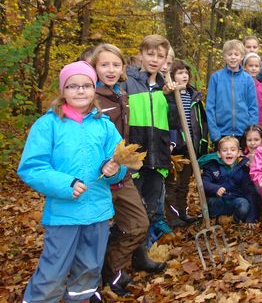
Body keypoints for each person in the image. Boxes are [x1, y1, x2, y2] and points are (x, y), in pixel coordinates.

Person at [18, 61, 126, 303]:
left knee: (89, 268)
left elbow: (121, 160)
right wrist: (65, 184)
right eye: (73, 86)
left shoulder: (104, 125)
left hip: (97, 211)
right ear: (63, 90)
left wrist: (114, 169)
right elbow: (32, 167)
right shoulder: (48, 125)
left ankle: (80, 299)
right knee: (52, 271)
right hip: (63, 214)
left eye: (86, 85)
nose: (80, 91)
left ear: (94, 88)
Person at [91, 44, 163, 296]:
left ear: (123, 67)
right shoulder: (91, 97)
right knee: (94, 231)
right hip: (96, 177)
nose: (110, 70)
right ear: (94, 67)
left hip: (122, 173)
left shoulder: (121, 93)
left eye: (115, 65)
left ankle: (112, 267)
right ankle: (101, 278)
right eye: (104, 65)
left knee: (138, 223)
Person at [124, 35, 175, 243]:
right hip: (135, 155)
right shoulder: (128, 83)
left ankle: (144, 247)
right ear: (141, 54)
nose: (154, 59)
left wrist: (169, 97)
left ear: (165, 60)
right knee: (135, 207)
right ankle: (130, 249)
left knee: (152, 206)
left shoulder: (166, 88)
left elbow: (173, 121)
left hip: (158, 155)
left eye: (160, 56)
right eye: (150, 54)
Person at [165, 59, 208, 228]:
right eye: (179, 73)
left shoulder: (193, 95)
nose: (184, 76)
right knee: (173, 184)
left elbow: (201, 122)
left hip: (192, 145)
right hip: (176, 146)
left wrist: (202, 143)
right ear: (172, 76)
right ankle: (172, 216)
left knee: (184, 184)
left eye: (185, 73)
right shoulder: (168, 96)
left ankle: (182, 213)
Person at [206, 39, 258, 146]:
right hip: (222, 133)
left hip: (243, 133)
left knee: (243, 162)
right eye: (229, 54)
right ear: (224, 57)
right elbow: (210, 107)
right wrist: (214, 132)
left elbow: (253, 107)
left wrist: (251, 131)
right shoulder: (216, 78)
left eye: (236, 54)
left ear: (242, 56)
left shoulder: (248, 80)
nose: (233, 57)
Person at [201, 136, 258, 225]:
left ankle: (232, 219)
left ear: (239, 153)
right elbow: (203, 182)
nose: (229, 153)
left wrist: (251, 218)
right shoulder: (213, 167)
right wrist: (215, 188)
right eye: (224, 150)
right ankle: (214, 218)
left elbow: (249, 192)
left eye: (232, 150)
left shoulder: (243, 168)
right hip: (218, 201)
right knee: (210, 202)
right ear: (219, 154)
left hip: (234, 201)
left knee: (244, 205)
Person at [243, 53, 262, 126]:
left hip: (261, 122)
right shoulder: (241, 86)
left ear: (260, 68)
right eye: (250, 66)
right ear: (244, 67)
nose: (254, 68)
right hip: (246, 123)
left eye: (256, 66)